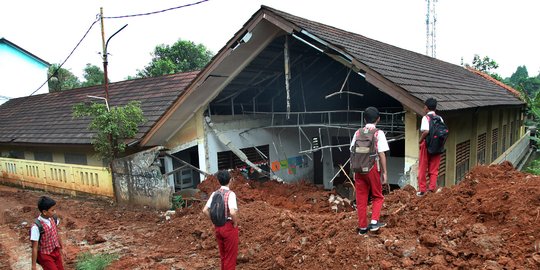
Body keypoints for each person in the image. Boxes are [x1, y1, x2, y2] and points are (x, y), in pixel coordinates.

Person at [350, 107, 389, 235]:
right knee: (377, 196)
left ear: (364, 119)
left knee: (361, 199)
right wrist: (384, 172)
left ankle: (362, 228)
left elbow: (352, 150)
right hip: (372, 168)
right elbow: (381, 153)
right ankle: (373, 223)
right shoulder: (378, 133)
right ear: (378, 119)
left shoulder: (357, 133)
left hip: (358, 169)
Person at [203, 170, 239, 270]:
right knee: (230, 257)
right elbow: (232, 212)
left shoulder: (215, 193)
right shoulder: (230, 194)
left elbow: (205, 210)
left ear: (219, 181)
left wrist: (214, 220)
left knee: (223, 256)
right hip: (228, 226)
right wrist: (235, 222)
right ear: (230, 180)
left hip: (218, 226)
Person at [30, 196, 65, 270]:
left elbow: (57, 233)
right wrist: (33, 266)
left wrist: (62, 248)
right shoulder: (36, 227)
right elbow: (35, 247)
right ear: (44, 212)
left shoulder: (54, 219)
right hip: (45, 255)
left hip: (56, 251)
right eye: (52, 210)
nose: (55, 212)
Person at [417, 98, 443, 196]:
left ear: (426, 108)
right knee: (434, 168)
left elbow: (426, 131)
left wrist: (420, 140)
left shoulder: (425, 118)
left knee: (423, 167)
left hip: (427, 145)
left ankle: (422, 190)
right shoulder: (440, 118)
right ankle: (432, 188)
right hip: (437, 145)